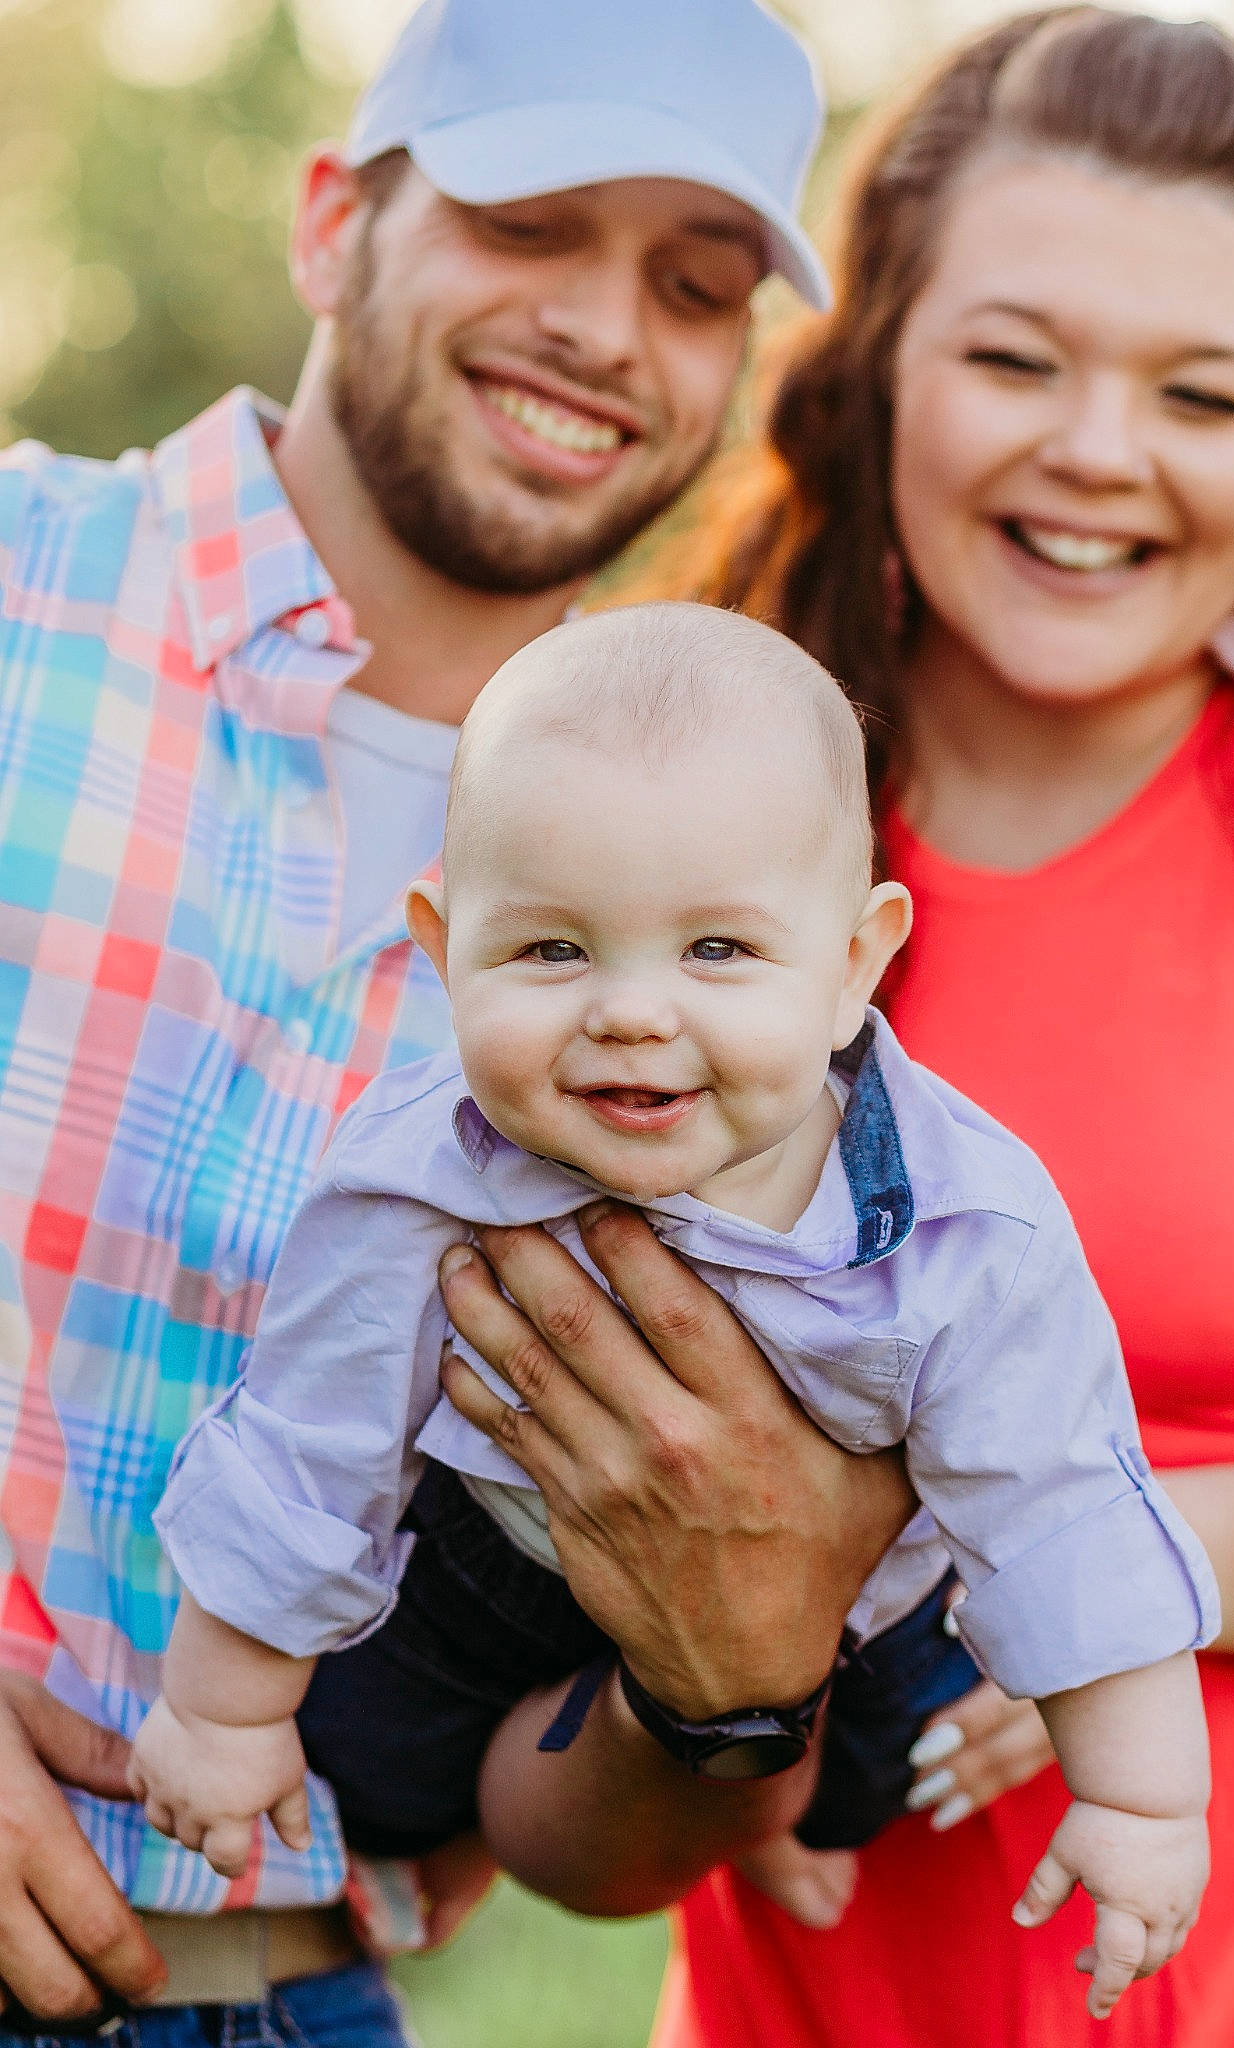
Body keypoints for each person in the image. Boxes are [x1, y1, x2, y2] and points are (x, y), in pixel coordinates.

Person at [0, 0, 874, 2035]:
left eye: (692, 284)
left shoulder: (753, 956)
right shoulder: (20, 588)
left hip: (281, 1994)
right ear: (330, 226)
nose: (601, 327)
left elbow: (568, 1837)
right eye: (531, 224)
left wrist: (724, 1687)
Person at [126, 602, 1217, 2022]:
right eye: (551, 953)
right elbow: (308, 1436)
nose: (632, 1012)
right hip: (486, 1554)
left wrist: (1142, 1804)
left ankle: (790, 1829)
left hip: (853, 1612)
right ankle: (468, 1814)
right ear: (441, 946)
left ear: (851, 964)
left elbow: (1060, 1502)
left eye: (716, 951)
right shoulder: (415, 1173)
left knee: (883, 1772)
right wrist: (221, 1711)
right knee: (367, 1774)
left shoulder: (963, 1226)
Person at [607, 9, 1234, 2046]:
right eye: (1013, 360)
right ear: (868, 380)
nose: (1094, 451)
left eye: (1200, 392)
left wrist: (1101, 1546)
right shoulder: (660, 850)